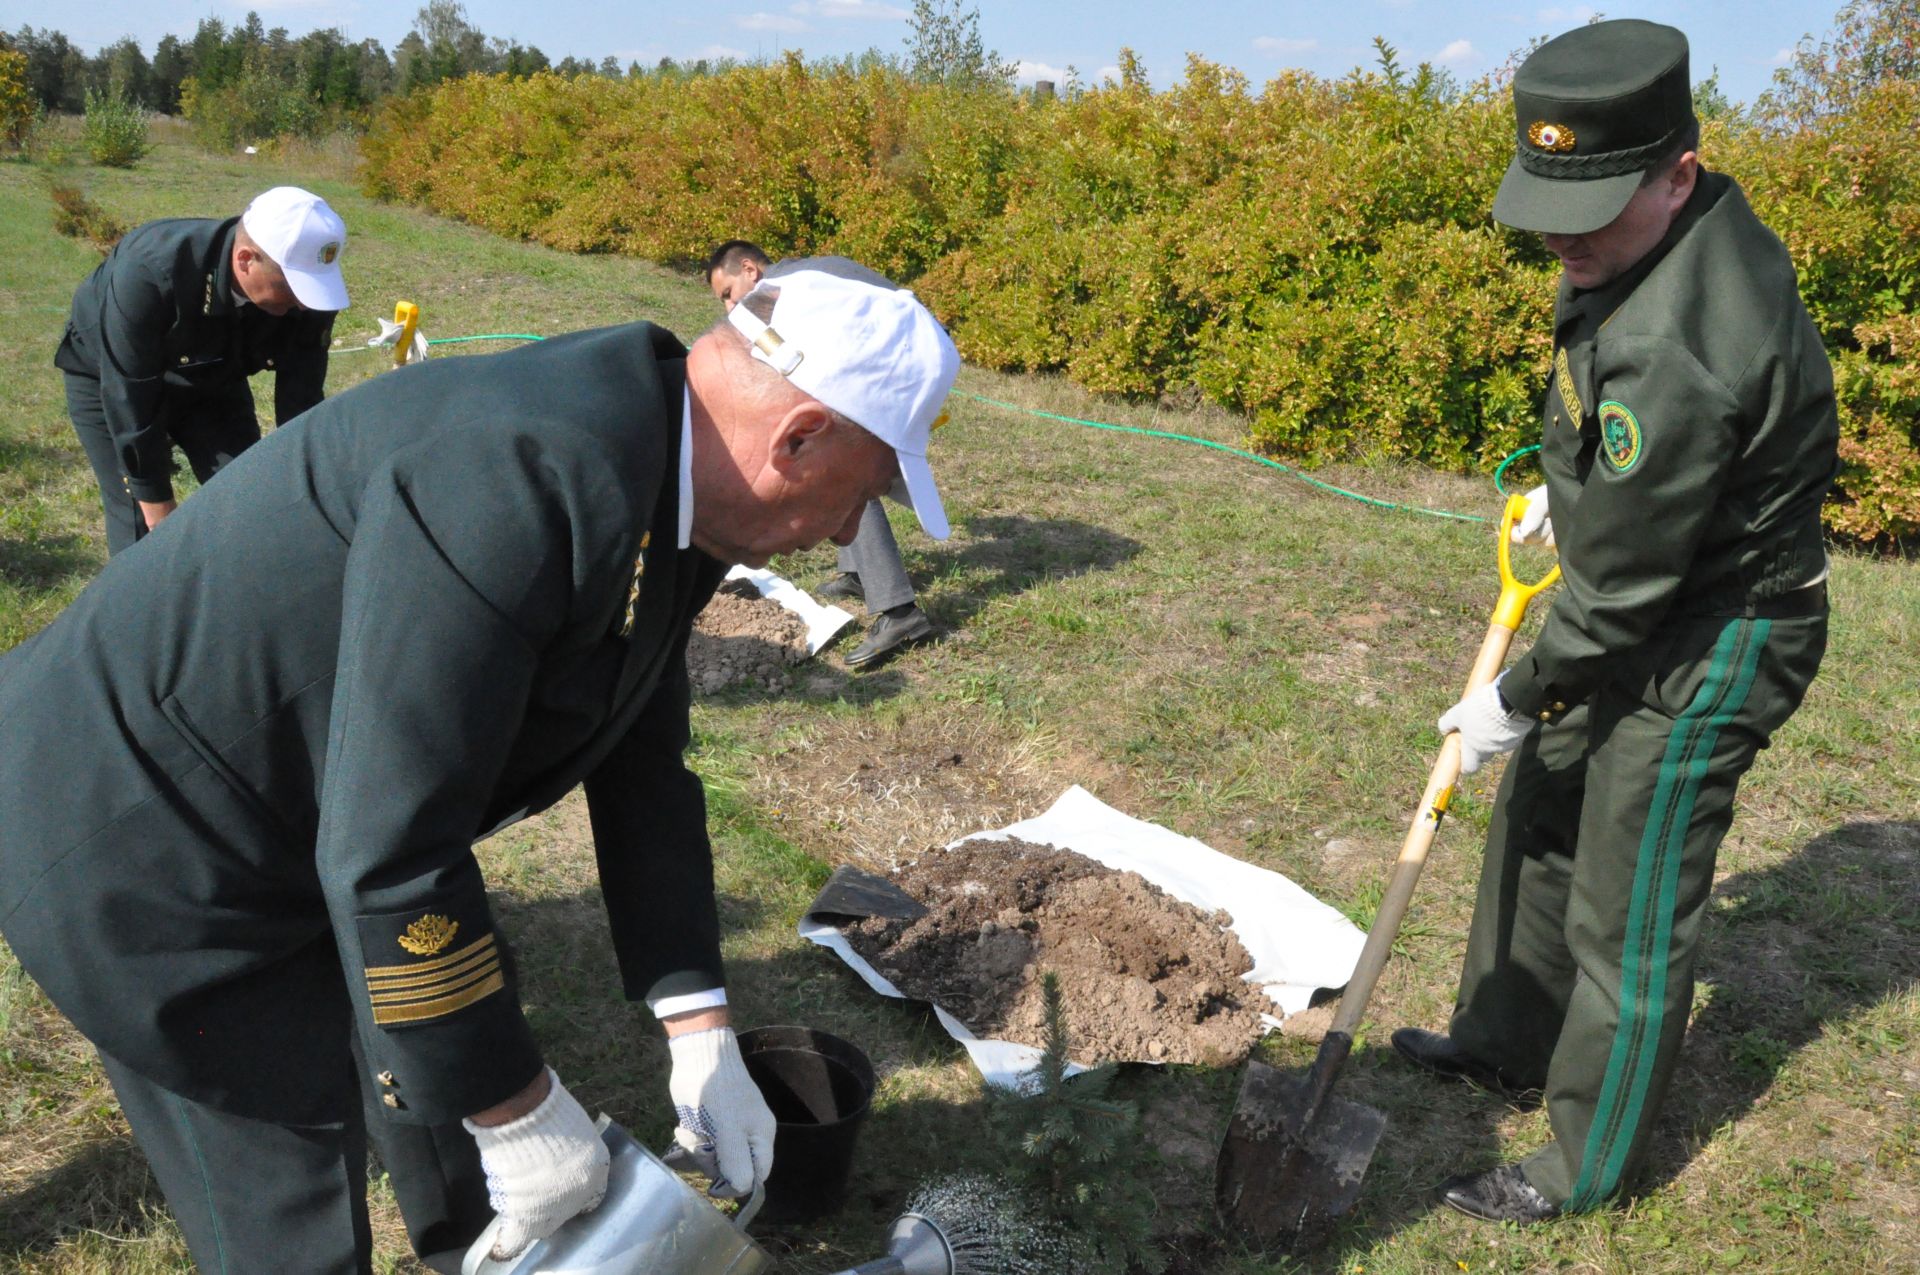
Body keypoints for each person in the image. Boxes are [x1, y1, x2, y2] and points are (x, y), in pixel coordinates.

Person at [0, 268, 960, 1272]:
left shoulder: (673, 463)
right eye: (866, 492)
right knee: (287, 1192)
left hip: (307, 806)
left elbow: (642, 755)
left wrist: (698, 1021)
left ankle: (474, 1244)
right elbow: (393, 848)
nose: (855, 533)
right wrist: (520, 1113)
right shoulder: (517, 471)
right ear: (797, 438)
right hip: (135, 823)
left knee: (448, 1044)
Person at [1396, 18, 1837, 1224]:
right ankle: (1505, 1040)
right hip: (1656, 583)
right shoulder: (1643, 240)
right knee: (1542, 810)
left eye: (1588, 208)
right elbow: (1620, 428)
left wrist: (1511, 691)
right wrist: (1572, 481)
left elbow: (1626, 596)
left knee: (1629, 897)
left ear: (1677, 172)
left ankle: (1585, 1164)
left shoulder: (1686, 342)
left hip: (1717, 634)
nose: (1560, 235)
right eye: (1547, 199)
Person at [54, 185, 350, 556]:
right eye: (293, 288)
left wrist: (306, 486)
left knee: (249, 498)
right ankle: (146, 609)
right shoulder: (150, 270)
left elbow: (302, 396)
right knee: (142, 531)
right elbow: (129, 394)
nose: (304, 305)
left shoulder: (311, 295)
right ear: (246, 260)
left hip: (213, 375)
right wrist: (155, 500)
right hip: (110, 377)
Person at [707, 240, 939, 665]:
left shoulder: (787, 289)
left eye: (727, 293)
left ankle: (899, 612)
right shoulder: (795, 279)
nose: (729, 306)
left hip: (909, 364)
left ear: (748, 269)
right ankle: (856, 572)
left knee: (837, 474)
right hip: (901, 359)